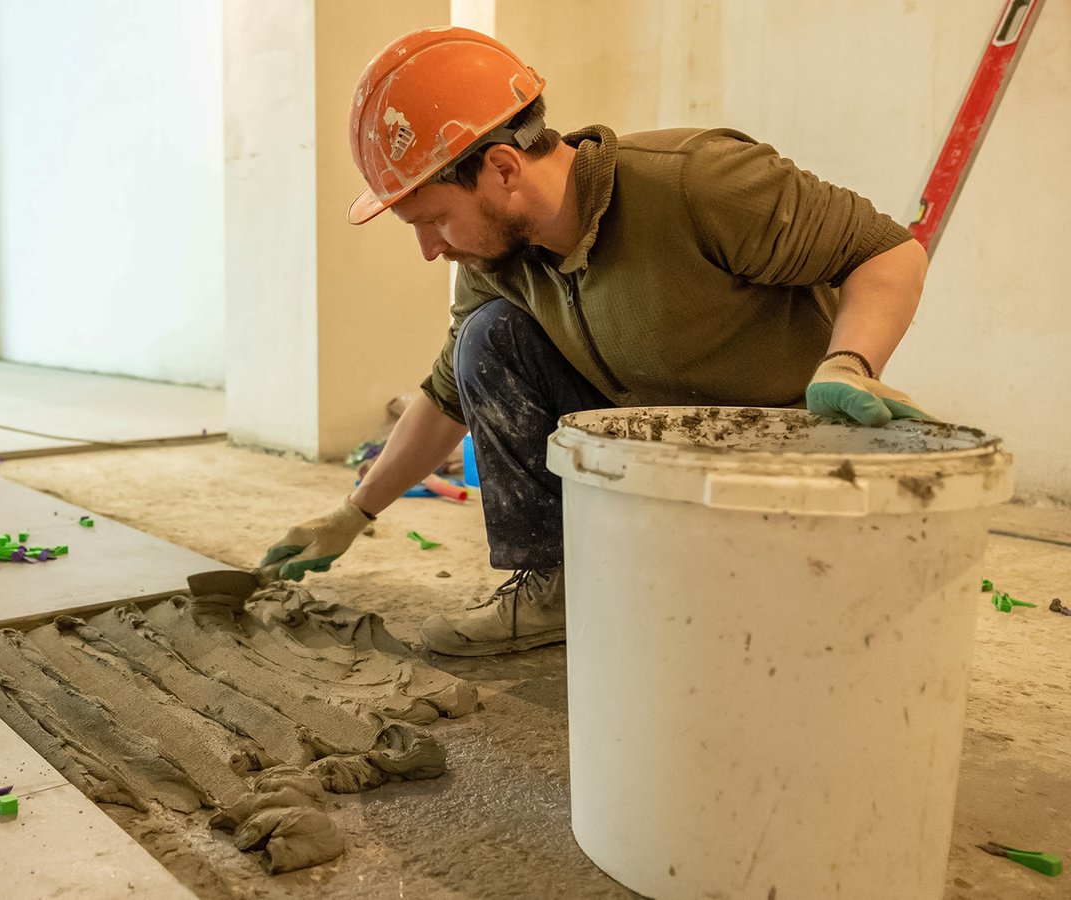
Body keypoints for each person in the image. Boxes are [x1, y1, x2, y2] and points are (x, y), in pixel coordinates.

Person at [260, 26, 931, 657]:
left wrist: (851, 361)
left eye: (434, 219)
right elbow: (445, 398)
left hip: (772, 449)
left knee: (767, 630)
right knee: (488, 340)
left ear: (501, 167)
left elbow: (886, 252)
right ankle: (555, 586)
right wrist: (353, 514)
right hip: (649, 447)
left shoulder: (696, 181)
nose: (430, 249)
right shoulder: (496, 262)